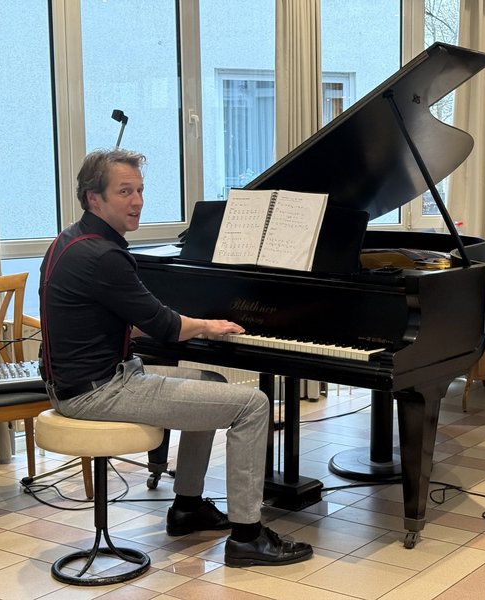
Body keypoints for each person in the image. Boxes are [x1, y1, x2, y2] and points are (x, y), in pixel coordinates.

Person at [39, 148, 313, 567]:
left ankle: (187, 506)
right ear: (94, 198)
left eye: (140, 190)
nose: (137, 201)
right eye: (125, 192)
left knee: (212, 383)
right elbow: (165, 325)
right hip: (98, 391)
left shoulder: (69, 239)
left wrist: (186, 323)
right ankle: (247, 537)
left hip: (74, 382)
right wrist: (207, 325)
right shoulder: (104, 257)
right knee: (254, 404)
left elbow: (118, 319)